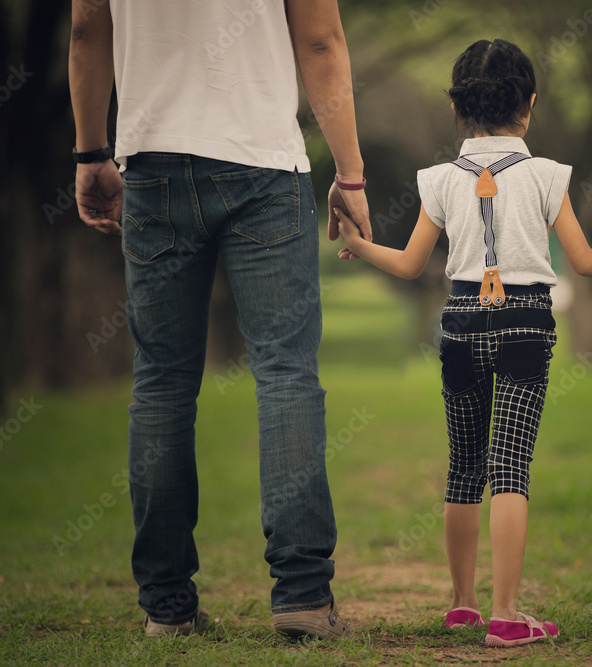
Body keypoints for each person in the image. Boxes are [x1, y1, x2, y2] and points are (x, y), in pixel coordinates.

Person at [336, 38, 592, 647]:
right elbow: (587, 261)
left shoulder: (437, 180)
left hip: (459, 324)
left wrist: (356, 241)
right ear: (529, 105)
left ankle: (463, 604)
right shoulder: (546, 175)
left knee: (464, 465)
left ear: (457, 108)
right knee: (511, 467)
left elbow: (409, 265)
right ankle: (508, 614)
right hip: (524, 328)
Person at [69, 0, 372, 640]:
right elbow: (320, 41)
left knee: (161, 385)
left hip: (151, 164)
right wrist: (350, 172)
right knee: (287, 373)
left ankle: (167, 609)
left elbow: (86, 29)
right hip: (263, 163)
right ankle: (304, 601)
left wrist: (90, 151)